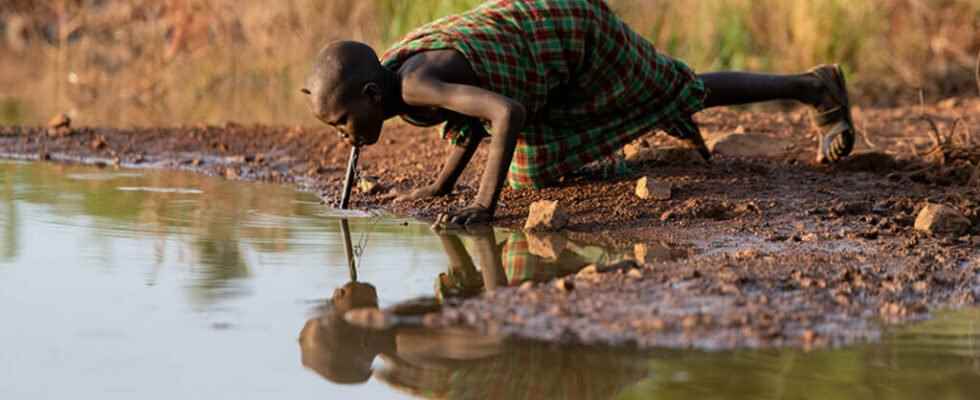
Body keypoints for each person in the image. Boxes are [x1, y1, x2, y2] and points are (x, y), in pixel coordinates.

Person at [301, 0, 855, 227]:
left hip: (570, 31)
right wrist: (440, 190)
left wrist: (481, 203)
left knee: (679, 88)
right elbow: (468, 118)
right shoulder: (398, 80)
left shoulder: (415, 83)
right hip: (537, 48)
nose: (347, 138)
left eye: (344, 123)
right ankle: (647, 132)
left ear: (373, 96)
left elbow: (505, 111)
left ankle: (813, 87)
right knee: (532, 173)